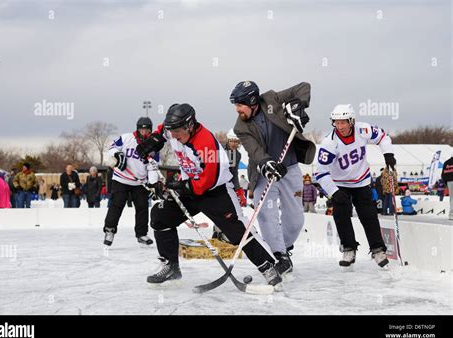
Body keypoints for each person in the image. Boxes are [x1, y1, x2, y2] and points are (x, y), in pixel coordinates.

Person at [136, 103, 283, 289]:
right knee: (160, 216)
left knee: (237, 231)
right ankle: (170, 265)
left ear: (189, 126)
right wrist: (153, 140)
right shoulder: (174, 130)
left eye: (177, 132)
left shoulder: (205, 144)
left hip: (216, 191)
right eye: (170, 131)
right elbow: (163, 131)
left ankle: (268, 266)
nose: (173, 136)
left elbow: (206, 181)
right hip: (189, 188)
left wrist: (179, 185)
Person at [230, 80, 316, 277]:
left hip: (291, 167)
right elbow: (255, 151)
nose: (237, 110)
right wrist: (266, 164)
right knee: (267, 215)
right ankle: (279, 256)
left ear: (252, 101)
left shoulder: (272, 99)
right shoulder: (240, 126)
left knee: (295, 221)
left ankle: (282, 248)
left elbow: (303, 87)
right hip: (263, 173)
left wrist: (297, 105)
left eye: (239, 105)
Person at [315, 104, 396, 269]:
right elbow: (321, 172)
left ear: (351, 121)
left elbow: (383, 137)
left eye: (344, 122)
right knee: (341, 215)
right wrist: (333, 192)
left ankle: (378, 249)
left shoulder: (362, 130)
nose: (340, 126)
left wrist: (388, 153)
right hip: (339, 183)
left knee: (368, 215)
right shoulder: (329, 143)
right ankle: (349, 248)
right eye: (336, 123)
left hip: (362, 180)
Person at [103, 116, 157, 247]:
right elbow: (111, 148)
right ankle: (109, 231)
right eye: (142, 130)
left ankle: (141, 234)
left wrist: (153, 183)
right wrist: (118, 154)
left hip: (139, 182)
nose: (144, 133)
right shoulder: (127, 138)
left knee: (142, 208)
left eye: (147, 130)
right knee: (116, 205)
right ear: (137, 129)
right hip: (121, 179)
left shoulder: (153, 144)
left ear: (150, 131)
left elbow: (153, 166)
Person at [441, 156, 453, 220]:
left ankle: (451, 215)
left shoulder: (446, 162)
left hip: (449, 182)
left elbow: (443, 175)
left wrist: (446, 182)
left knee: (452, 198)